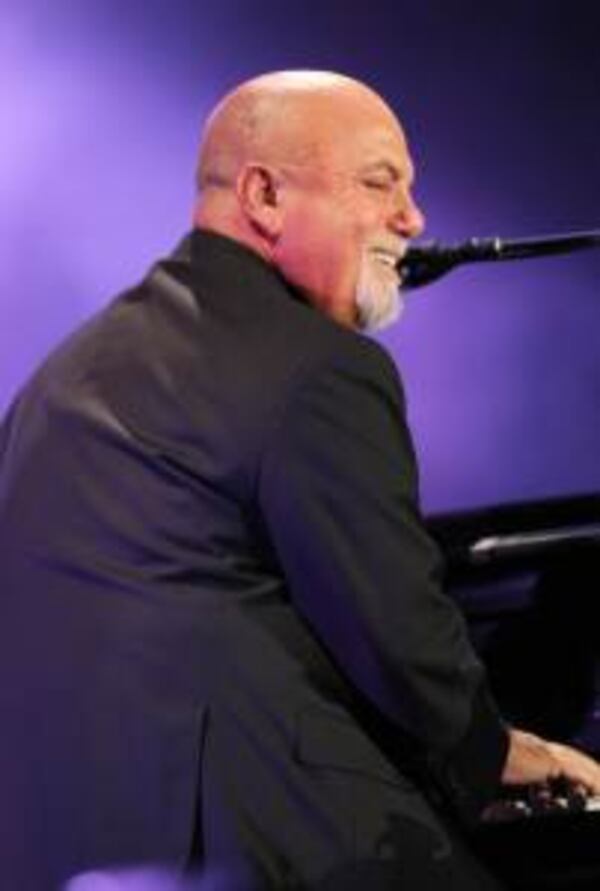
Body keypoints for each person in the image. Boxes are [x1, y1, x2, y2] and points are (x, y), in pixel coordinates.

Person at [1, 70, 599, 891]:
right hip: (258, 842)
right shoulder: (319, 369)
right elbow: (401, 644)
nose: (412, 219)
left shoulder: (64, 372)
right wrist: (503, 754)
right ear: (265, 196)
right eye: (380, 183)